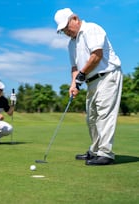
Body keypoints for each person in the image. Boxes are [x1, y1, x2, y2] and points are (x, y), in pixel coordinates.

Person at [54, 8, 123, 165]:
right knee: (91, 117)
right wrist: (74, 83)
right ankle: (95, 150)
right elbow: (74, 68)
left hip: (107, 76)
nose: (66, 32)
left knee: (104, 114)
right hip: (91, 81)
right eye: (62, 30)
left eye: (67, 27)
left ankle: (105, 153)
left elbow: (96, 56)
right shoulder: (71, 44)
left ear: (75, 19)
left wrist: (81, 75)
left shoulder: (91, 29)